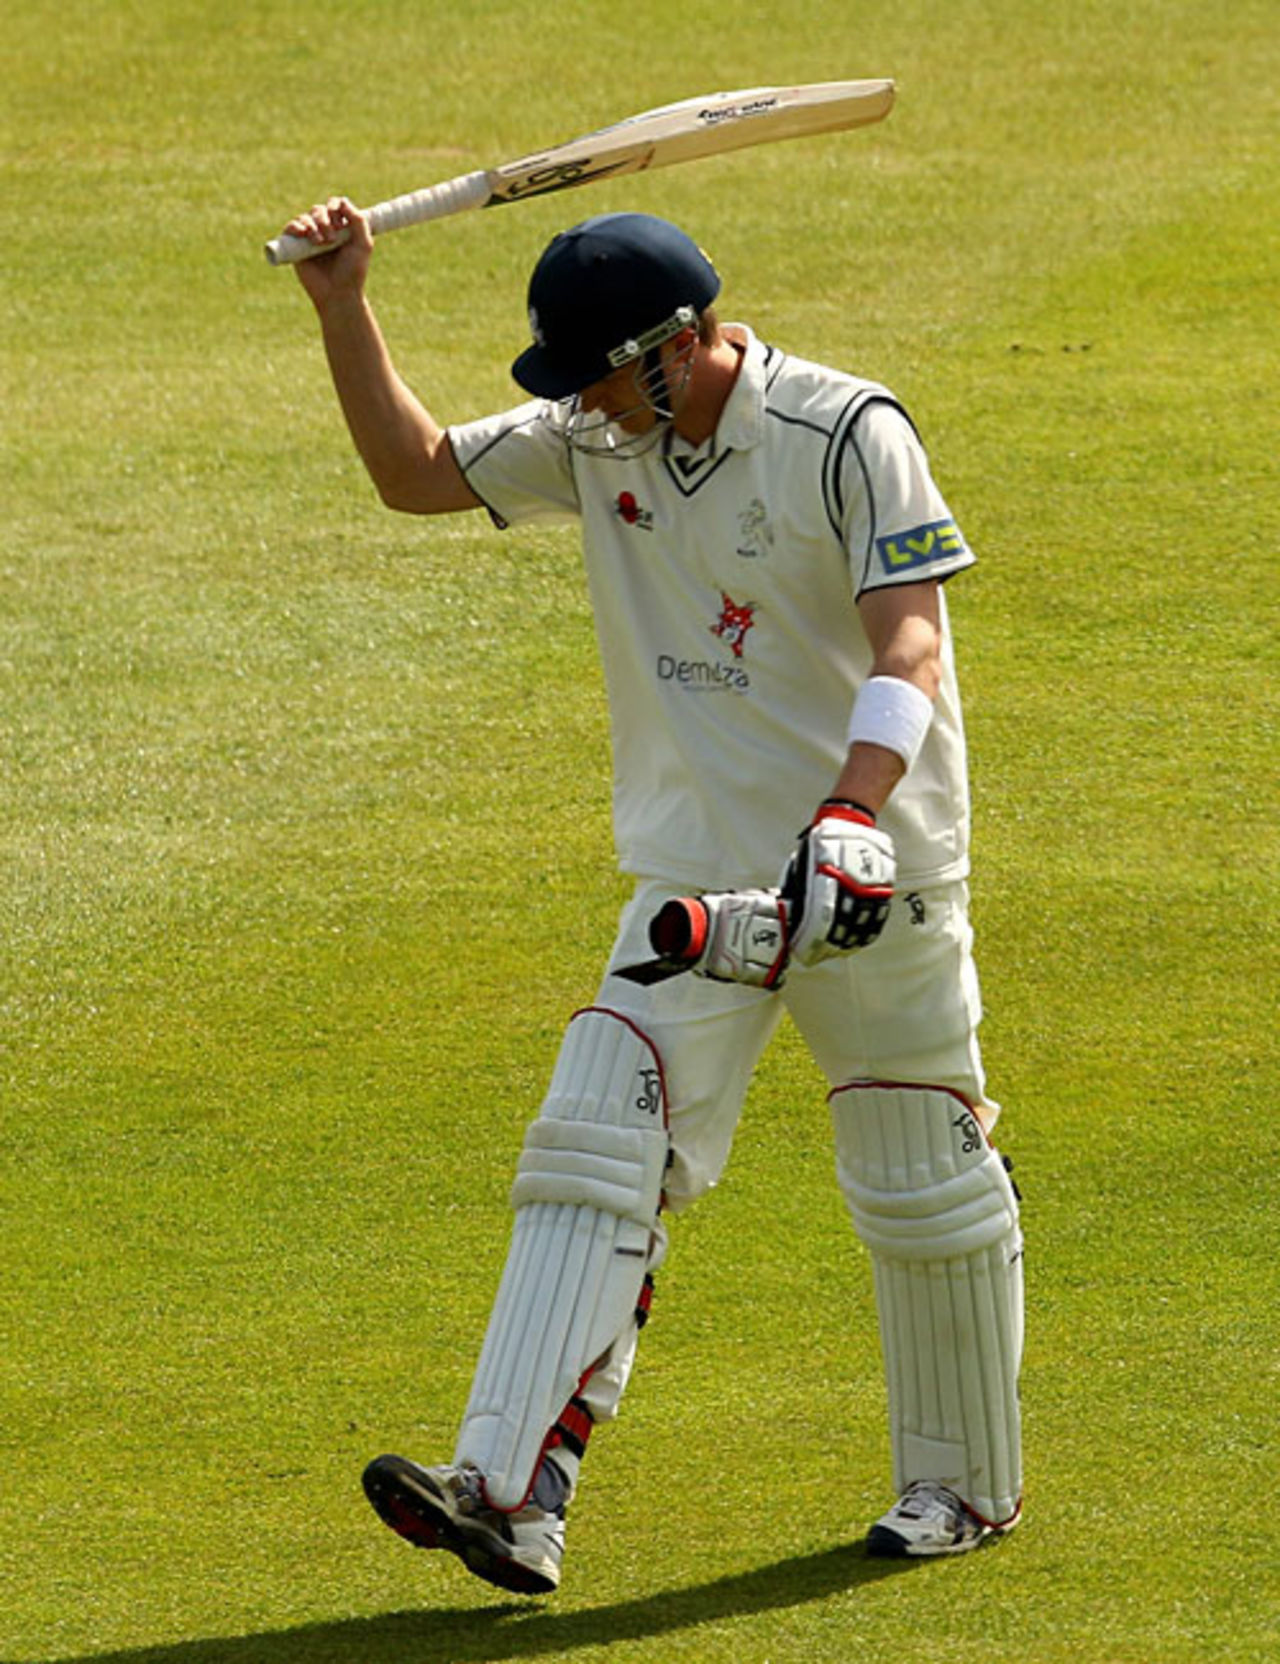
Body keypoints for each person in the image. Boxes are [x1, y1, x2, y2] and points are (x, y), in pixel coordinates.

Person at [282, 197, 1025, 1595]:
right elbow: (420, 473)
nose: (581, 408)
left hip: (868, 870)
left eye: (598, 376)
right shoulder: (594, 437)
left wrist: (853, 814)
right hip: (698, 875)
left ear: (680, 348)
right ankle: (507, 1496)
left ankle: (963, 1488)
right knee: (591, 1137)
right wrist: (344, 307)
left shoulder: (848, 432)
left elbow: (910, 639)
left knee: (918, 1179)